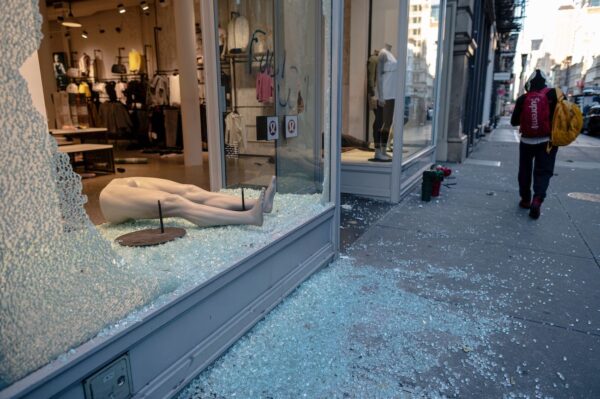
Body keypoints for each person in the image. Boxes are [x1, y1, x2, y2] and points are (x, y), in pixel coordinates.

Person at [100, 176, 276, 227]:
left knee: (190, 190)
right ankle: (249, 218)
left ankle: (258, 204)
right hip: (111, 198)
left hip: (123, 182)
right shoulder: (110, 196)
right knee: (175, 202)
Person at [510, 69, 558, 219]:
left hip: (526, 141)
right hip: (547, 142)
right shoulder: (554, 95)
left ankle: (525, 200)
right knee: (543, 171)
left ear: (529, 84)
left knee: (525, 170)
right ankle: (537, 199)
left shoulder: (523, 99)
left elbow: (514, 122)